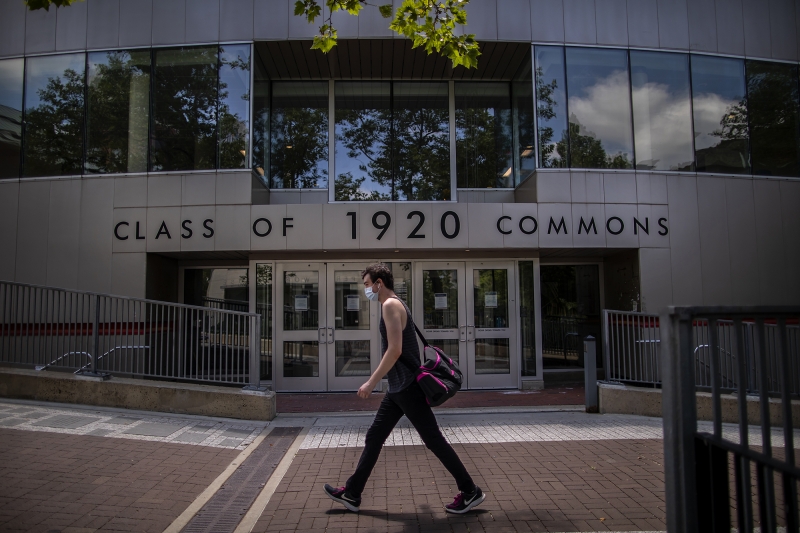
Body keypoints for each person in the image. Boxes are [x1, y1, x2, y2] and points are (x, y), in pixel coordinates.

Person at [323, 263, 485, 514]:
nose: (366, 290)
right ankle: (353, 493)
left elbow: (395, 350)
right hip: (399, 389)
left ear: (379, 283)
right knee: (375, 437)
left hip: (407, 388)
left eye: (367, 284)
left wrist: (371, 381)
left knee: (434, 440)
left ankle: (470, 491)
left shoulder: (390, 305)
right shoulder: (395, 303)